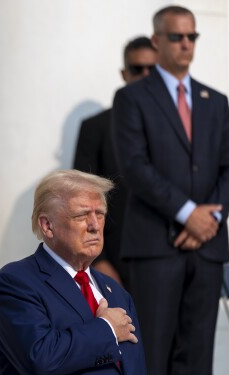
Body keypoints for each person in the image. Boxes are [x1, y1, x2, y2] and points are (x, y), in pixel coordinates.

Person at [112, 6, 229, 375]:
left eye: (192, 37)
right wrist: (189, 213)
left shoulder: (214, 101)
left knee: (198, 357)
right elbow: (135, 167)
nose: (186, 44)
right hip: (155, 248)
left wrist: (211, 219)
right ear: (157, 41)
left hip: (208, 248)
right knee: (151, 355)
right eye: (176, 37)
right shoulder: (132, 98)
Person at [0, 170, 146, 375]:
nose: (95, 226)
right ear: (47, 225)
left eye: (99, 214)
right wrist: (106, 329)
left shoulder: (117, 293)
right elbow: (40, 360)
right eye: (81, 215)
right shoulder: (16, 282)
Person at [73, 36, 157, 286]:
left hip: (169, 260)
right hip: (116, 261)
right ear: (124, 73)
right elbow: (82, 199)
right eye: (136, 69)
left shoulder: (180, 125)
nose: (144, 74)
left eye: (151, 69)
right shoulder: (95, 128)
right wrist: (99, 260)